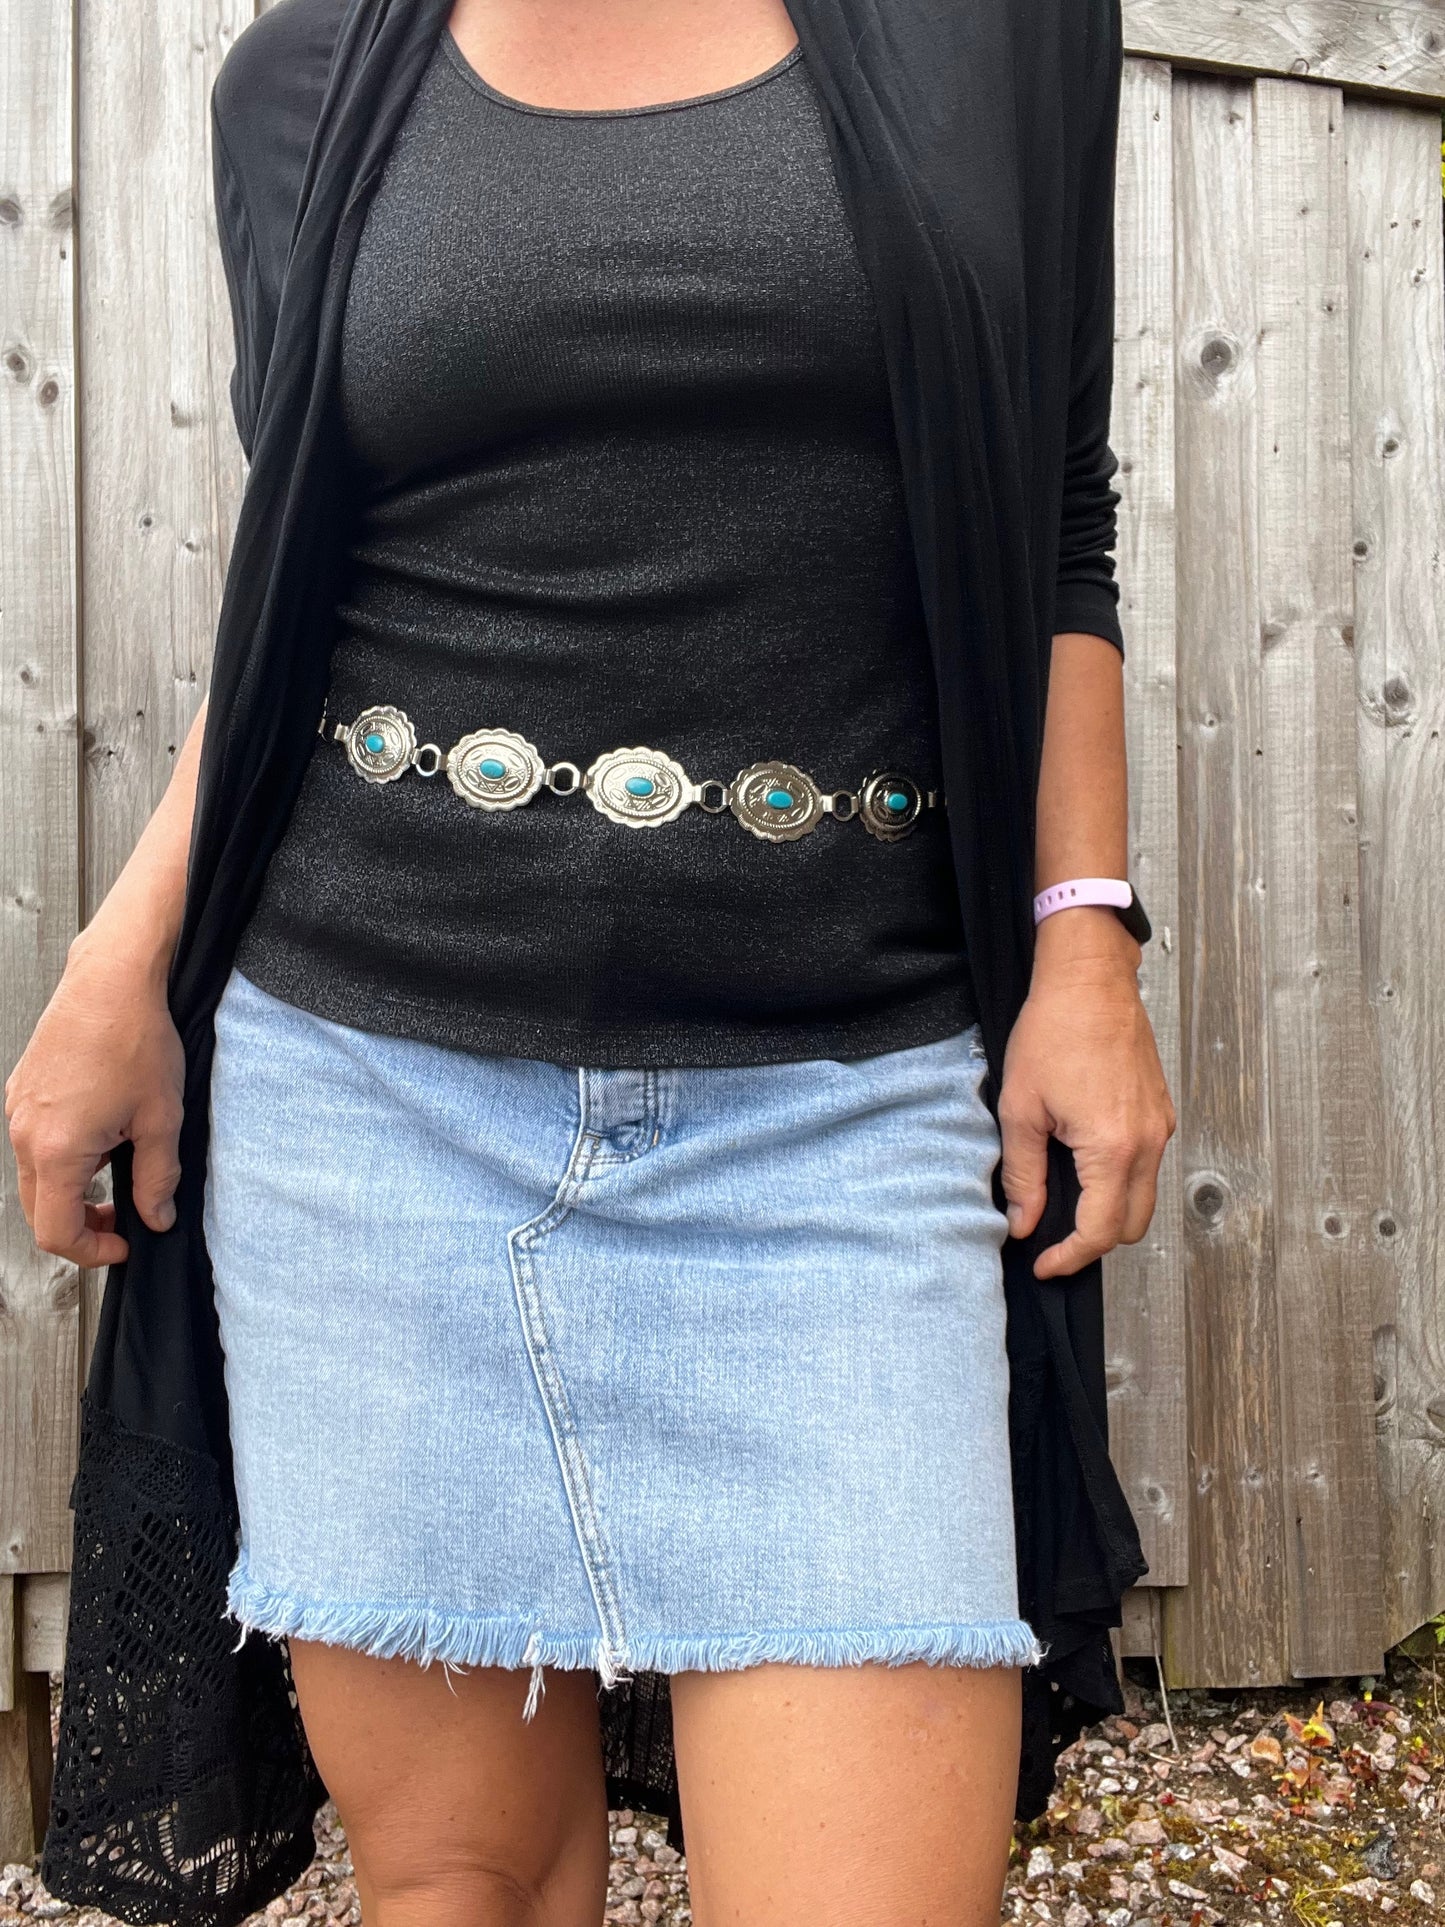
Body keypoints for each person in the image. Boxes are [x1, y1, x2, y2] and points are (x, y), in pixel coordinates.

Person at [6, 1, 1174, 1922]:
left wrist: (1082, 947)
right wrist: (117, 966)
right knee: (462, 1881)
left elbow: (1060, 514)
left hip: (840, 1109)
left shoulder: (1005, 33)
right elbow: (303, 583)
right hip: (365, 1099)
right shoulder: (298, 84)